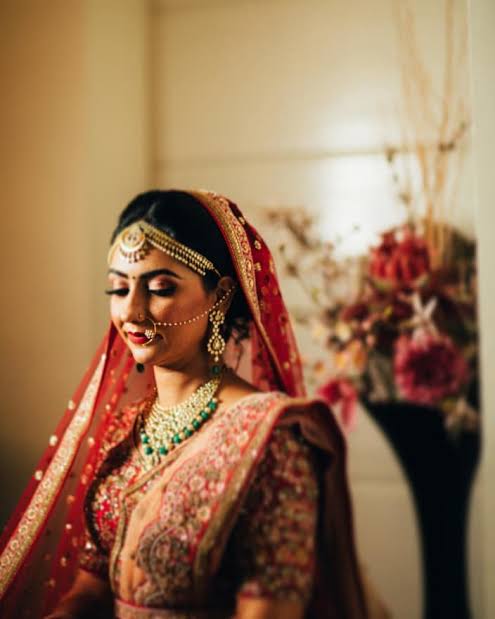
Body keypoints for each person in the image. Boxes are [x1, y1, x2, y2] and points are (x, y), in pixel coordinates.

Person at [0, 190, 388, 619]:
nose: (131, 311)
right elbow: (92, 589)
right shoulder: (125, 429)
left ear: (220, 296)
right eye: (118, 288)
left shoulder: (270, 438)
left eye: (160, 288)